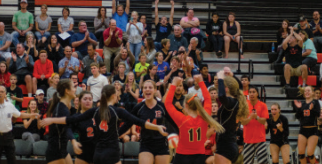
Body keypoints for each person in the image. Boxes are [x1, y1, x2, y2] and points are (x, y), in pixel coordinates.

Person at [41, 84, 168, 164]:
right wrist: (157, 127)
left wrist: (52, 120)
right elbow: (139, 122)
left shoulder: (94, 110)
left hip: (98, 154)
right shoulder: (117, 111)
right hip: (111, 152)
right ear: (113, 96)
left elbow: (69, 120)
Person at [164, 75, 224, 164]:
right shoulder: (205, 118)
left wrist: (173, 84)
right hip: (199, 157)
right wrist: (201, 82)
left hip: (182, 157)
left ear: (186, 106)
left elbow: (168, 104)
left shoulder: (182, 119)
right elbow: (208, 100)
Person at [119, 80, 177, 164]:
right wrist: (116, 133)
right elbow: (128, 123)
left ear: (155, 90)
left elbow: (173, 122)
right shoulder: (138, 107)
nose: (147, 89)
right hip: (146, 144)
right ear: (142, 90)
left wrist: (173, 134)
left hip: (162, 145)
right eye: (145, 88)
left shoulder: (162, 107)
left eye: (150, 87)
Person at [0, 85, 39, 164]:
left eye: (2, 92)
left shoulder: (10, 106)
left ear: (5, 94)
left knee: (12, 159)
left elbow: (20, 115)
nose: (0, 93)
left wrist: (30, 115)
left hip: (8, 136)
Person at [241, 86, 269, 164]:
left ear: (257, 94)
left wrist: (256, 117)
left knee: (263, 162)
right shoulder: (244, 106)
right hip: (248, 139)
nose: (251, 94)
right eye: (250, 92)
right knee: (247, 162)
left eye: (253, 92)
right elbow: (243, 122)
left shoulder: (263, 105)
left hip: (260, 139)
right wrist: (250, 118)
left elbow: (264, 121)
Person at [294, 86, 321, 164]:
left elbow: (318, 114)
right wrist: (298, 109)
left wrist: (312, 109)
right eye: (305, 91)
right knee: (301, 155)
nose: (307, 92)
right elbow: (297, 117)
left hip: (313, 130)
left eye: (308, 91)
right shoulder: (301, 104)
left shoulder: (315, 102)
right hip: (303, 130)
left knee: (310, 154)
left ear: (312, 92)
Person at [71, 91, 96, 164]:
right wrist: (73, 141)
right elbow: (68, 129)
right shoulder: (76, 117)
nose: (88, 101)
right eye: (85, 99)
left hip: (98, 152)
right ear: (79, 101)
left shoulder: (98, 115)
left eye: (90, 99)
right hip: (83, 152)